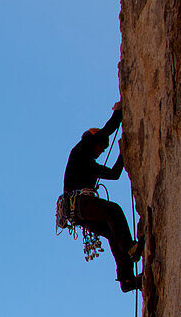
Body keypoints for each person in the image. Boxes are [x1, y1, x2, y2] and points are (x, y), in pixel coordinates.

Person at [58, 101, 143, 292]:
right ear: (93, 141)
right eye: (101, 146)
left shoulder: (90, 164)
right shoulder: (80, 151)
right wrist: (118, 114)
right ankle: (131, 247)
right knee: (114, 211)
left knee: (113, 232)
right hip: (80, 203)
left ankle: (127, 280)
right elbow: (105, 131)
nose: (102, 150)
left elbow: (114, 174)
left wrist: (123, 154)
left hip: (78, 213)